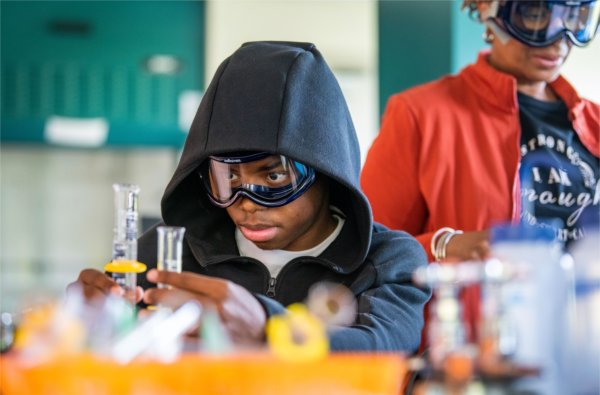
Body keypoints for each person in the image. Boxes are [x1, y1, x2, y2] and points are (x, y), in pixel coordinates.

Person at [71, 41, 431, 352]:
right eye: (227, 179)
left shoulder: (386, 260)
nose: (246, 202)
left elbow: (382, 345)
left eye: (272, 176)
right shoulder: (168, 254)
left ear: (326, 170)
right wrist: (79, 320)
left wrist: (267, 328)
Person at [361, 0, 599, 264]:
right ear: (489, 11)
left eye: (575, 16)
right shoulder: (419, 114)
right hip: (479, 303)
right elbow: (368, 250)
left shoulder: (595, 123)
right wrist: (445, 245)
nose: (559, 40)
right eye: (535, 14)